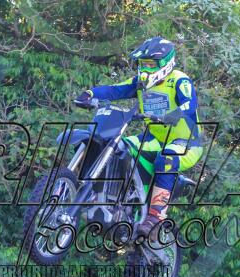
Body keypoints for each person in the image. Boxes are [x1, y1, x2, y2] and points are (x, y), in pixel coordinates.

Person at [76, 36, 203, 238]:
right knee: (117, 148)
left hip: (185, 142)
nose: (145, 69)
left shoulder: (179, 80)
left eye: (151, 64)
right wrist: (91, 94)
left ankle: (155, 216)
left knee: (166, 157)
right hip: (153, 138)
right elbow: (115, 90)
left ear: (166, 63)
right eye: (143, 64)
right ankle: (110, 197)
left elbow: (190, 104)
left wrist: (173, 115)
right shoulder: (140, 83)